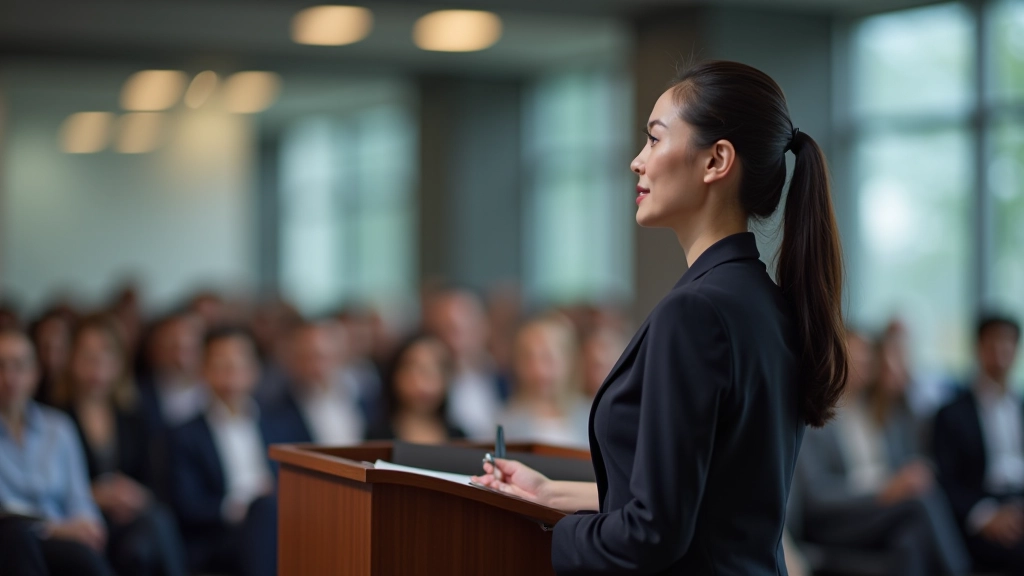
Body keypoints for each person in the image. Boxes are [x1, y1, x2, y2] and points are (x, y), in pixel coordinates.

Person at [473, 60, 849, 575]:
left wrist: (538, 537)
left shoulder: (696, 312)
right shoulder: (763, 299)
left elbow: (651, 534)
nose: (636, 161)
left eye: (654, 139)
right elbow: (707, 498)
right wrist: (548, 491)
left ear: (716, 160)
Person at [796, 330, 969, 576]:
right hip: (840, 517)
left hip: (884, 511)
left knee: (909, 538)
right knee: (920, 502)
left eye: (867, 358)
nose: (863, 364)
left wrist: (912, 476)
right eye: (855, 356)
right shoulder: (815, 416)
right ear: (834, 358)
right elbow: (816, 496)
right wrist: (882, 492)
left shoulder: (876, 412)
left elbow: (906, 459)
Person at [63, 316, 187, 576]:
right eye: (88, 356)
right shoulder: (57, 418)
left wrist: (134, 494)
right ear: (71, 359)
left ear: (119, 362)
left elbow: (153, 482)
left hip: (129, 519)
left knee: (149, 531)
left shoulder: (132, 416)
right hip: (81, 521)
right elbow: (49, 488)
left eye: (106, 356)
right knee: (148, 536)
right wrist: (93, 495)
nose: (97, 367)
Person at [0, 328, 114, 576]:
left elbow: (79, 495)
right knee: (18, 539)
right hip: (14, 541)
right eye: (1, 366)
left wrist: (88, 524)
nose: (9, 377)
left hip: (65, 536)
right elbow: (5, 512)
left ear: (35, 373)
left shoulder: (59, 427)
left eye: (19, 366)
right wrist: (54, 528)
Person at [167, 327, 277, 576]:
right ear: (203, 370)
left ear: (255, 370)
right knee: (263, 512)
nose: (230, 374)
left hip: (276, 525)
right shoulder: (184, 434)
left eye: (238, 364)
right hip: (218, 538)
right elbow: (187, 505)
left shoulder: (277, 423)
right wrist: (238, 507)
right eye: (220, 365)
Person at [933, 313, 1023, 573]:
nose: (1000, 351)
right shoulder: (951, 413)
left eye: (1008, 342)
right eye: (992, 342)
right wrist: (983, 515)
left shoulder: (1021, 407)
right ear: (978, 348)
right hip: (983, 509)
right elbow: (944, 480)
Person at [263, 321, 366, 445]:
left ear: (339, 356)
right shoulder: (277, 411)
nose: (316, 367)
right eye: (306, 358)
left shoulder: (360, 396)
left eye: (322, 357)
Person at [426, 288, 506, 440]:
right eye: (445, 329)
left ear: (484, 327)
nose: (454, 341)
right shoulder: (423, 386)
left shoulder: (506, 379)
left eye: (462, 328)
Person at [498, 315, 588, 448]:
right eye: (529, 359)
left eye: (548, 359)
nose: (539, 370)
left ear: (569, 360)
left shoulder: (592, 417)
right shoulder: (504, 421)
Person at [367, 333, 465, 444]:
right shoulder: (376, 438)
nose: (423, 382)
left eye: (434, 370)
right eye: (414, 369)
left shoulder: (460, 438)